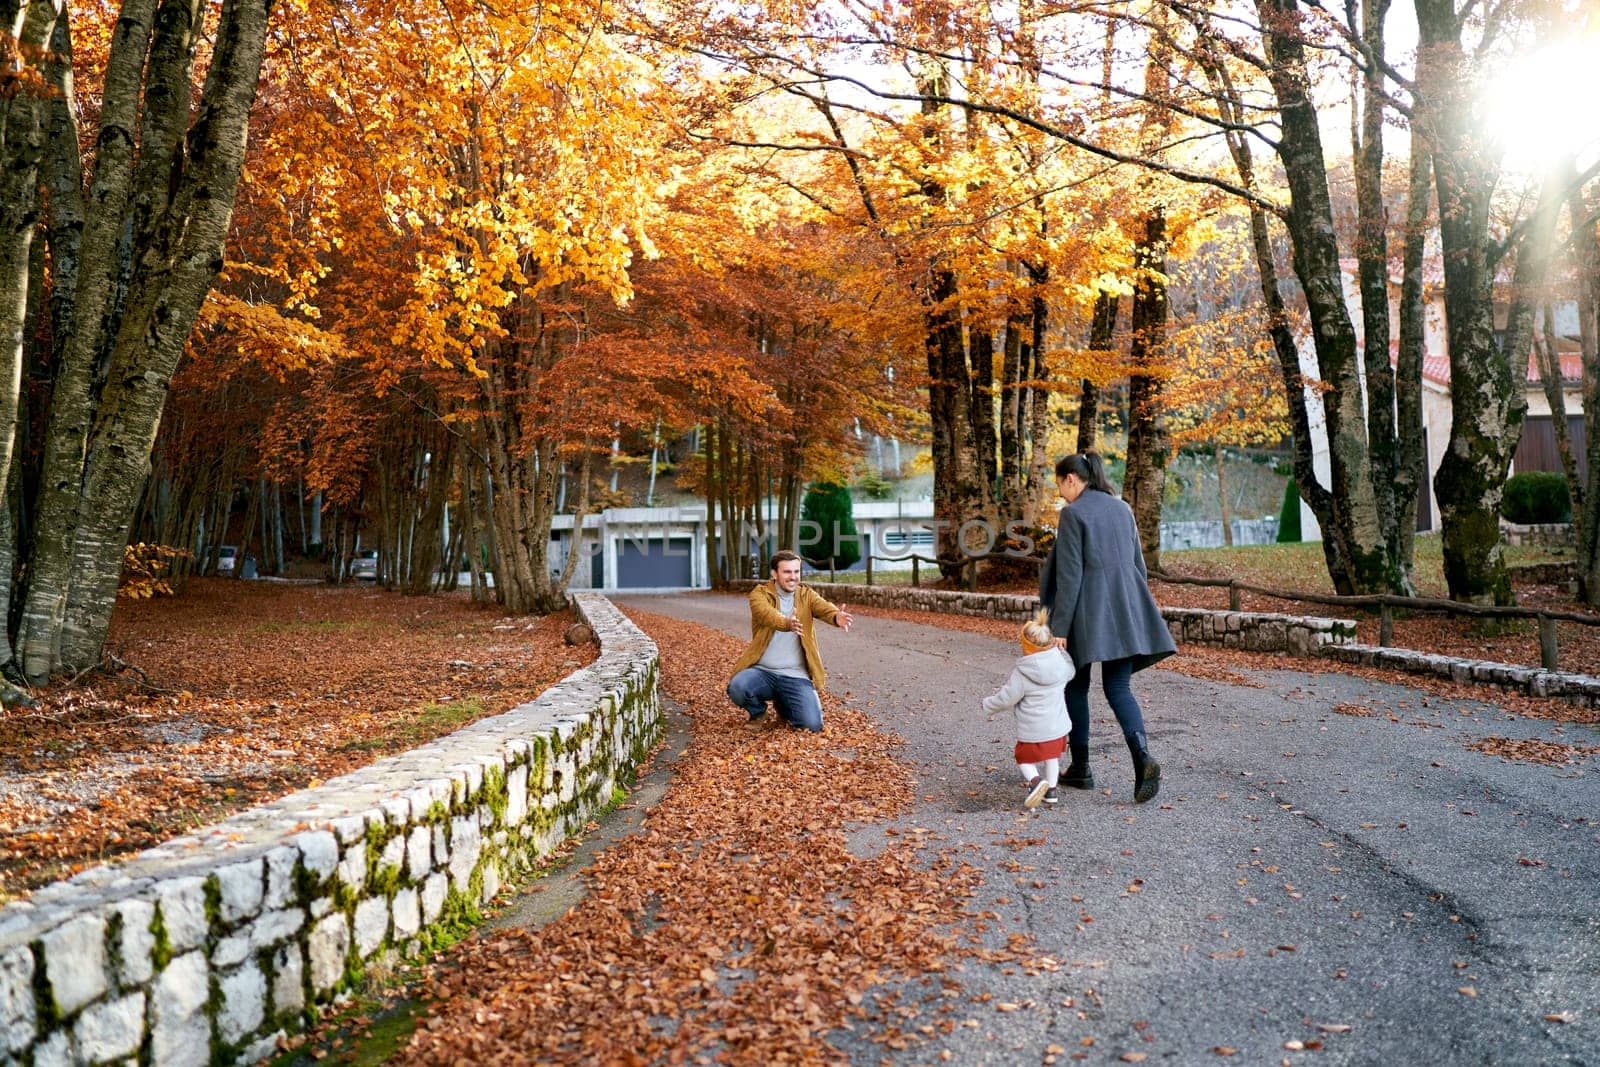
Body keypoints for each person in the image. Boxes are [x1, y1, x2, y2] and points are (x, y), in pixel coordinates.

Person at [1041, 452, 1176, 803]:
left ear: (1072, 479)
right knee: (1118, 686)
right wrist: (1132, 603)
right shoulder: (1122, 508)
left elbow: (1069, 577)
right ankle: (1142, 755)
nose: (1060, 492)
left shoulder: (1073, 514)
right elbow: (1138, 566)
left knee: (1075, 686)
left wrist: (1060, 626)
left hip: (1088, 611)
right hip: (1126, 606)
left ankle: (1082, 768)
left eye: (1060, 484)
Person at [727, 550, 854, 732]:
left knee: (812, 726)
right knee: (738, 687)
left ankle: (783, 702)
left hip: (795, 675)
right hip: (763, 671)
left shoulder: (806, 595)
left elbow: (825, 609)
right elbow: (766, 615)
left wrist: (836, 616)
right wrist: (787, 623)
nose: (793, 577)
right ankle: (758, 712)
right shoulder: (760, 594)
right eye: (787, 572)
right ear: (774, 573)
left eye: (796, 572)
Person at [983, 608, 1075, 808]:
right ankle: (1051, 791)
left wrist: (988, 705)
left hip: (1033, 730)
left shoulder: (1023, 672)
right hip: (1058, 727)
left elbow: (1008, 698)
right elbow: (1071, 672)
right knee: (1052, 757)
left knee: (1023, 758)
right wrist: (1062, 653)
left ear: (1026, 646)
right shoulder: (1060, 663)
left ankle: (1035, 781)